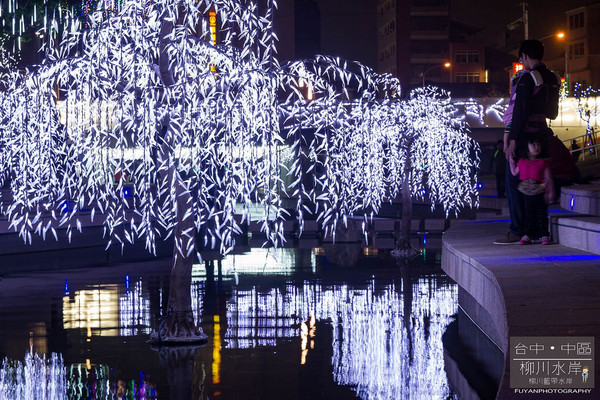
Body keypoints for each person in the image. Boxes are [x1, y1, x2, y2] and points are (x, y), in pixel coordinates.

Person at [494, 40, 560, 245]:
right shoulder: (553, 78)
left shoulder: (526, 78)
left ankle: (518, 230)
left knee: (514, 181)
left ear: (523, 57)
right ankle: (539, 231)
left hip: (524, 137)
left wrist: (512, 140)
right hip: (542, 135)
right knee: (538, 181)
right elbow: (553, 113)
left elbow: (519, 112)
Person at [509, 136, 554, 245]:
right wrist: (510, 159)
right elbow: (515, 172)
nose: (536, 147)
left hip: (539, 192)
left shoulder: (543, 162)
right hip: (525, 193)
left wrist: (550, 192)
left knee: (541, 214)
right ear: (527, 147)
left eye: (538, 144)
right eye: (533, 144)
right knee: (528, 214)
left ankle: (544, 235)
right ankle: (527, 235)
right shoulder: (521, 162)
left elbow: (548, 179)